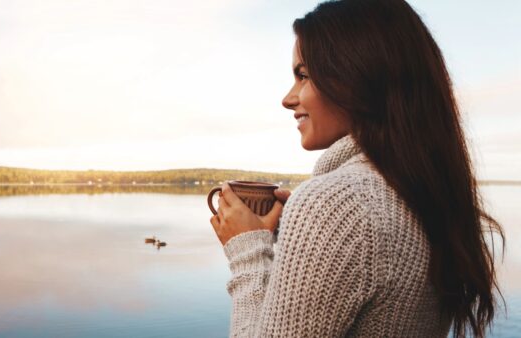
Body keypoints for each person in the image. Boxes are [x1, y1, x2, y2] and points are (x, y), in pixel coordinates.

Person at [208, 0, 505, 337]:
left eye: (303, 75)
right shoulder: (422, 193)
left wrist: (248, 251)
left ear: (356, 77)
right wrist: (297, 238)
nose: (288, 98)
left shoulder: (337, 204)